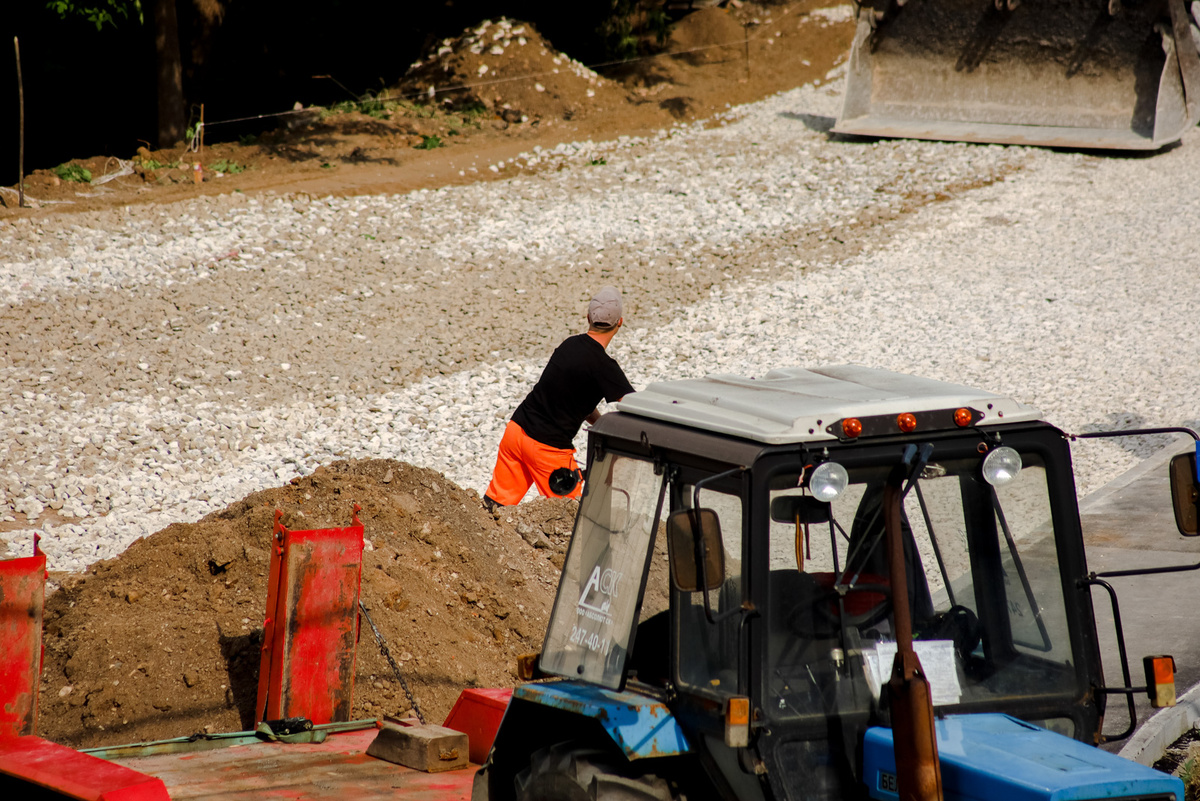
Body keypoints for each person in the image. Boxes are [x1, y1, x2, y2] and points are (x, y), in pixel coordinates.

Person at [483, 286, 634, 512]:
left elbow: (569, 396)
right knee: (575, 516)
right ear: (619, 323)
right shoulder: (604, 366)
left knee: (494, 509)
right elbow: (634, 406)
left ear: (588, 318)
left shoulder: (569, 344)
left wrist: (599, 422)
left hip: (516, 432)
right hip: (547, 449)